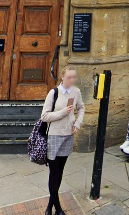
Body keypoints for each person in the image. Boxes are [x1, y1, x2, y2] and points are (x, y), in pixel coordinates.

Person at [38, 67, 84, 215]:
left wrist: (77, 123)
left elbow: (81, 108)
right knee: (54, 172)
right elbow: (44, 116)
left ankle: (50, 207)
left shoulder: (76, 91)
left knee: (60, 172)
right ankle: (56, 207)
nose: (72, 80)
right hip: (54, 136)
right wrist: (63, 112)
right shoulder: (54, 93)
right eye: (69, 77)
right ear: (62, 77)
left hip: (68, 136)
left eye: (74, 77)